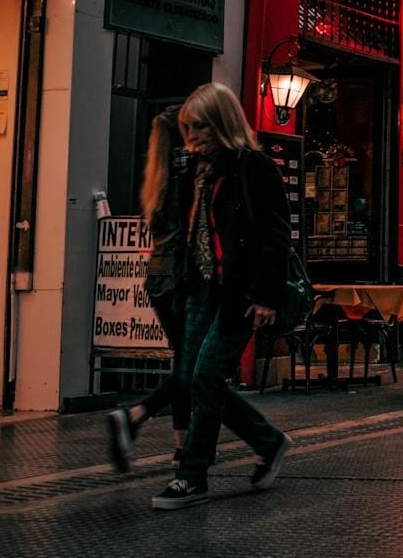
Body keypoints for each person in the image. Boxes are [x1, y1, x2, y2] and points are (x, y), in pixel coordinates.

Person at [151, 83, 293, 511]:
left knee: (206, 376)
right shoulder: (193, 173)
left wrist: (266, 295)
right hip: (199, 288)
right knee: (196, 380)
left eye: (199, 127)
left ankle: (192, 475)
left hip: (239, 293)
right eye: (186, 128)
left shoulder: (254, 168)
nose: (191, 137)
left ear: (221, 123)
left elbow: (275, 234)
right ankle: (269, 442)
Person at [107, 107, 193, 472]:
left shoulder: (156, 176)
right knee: (194, 366)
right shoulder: (187, 173)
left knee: (184, 362)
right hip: (182, 277)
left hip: (158, 278)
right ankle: (135, 415)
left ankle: (182, 444)